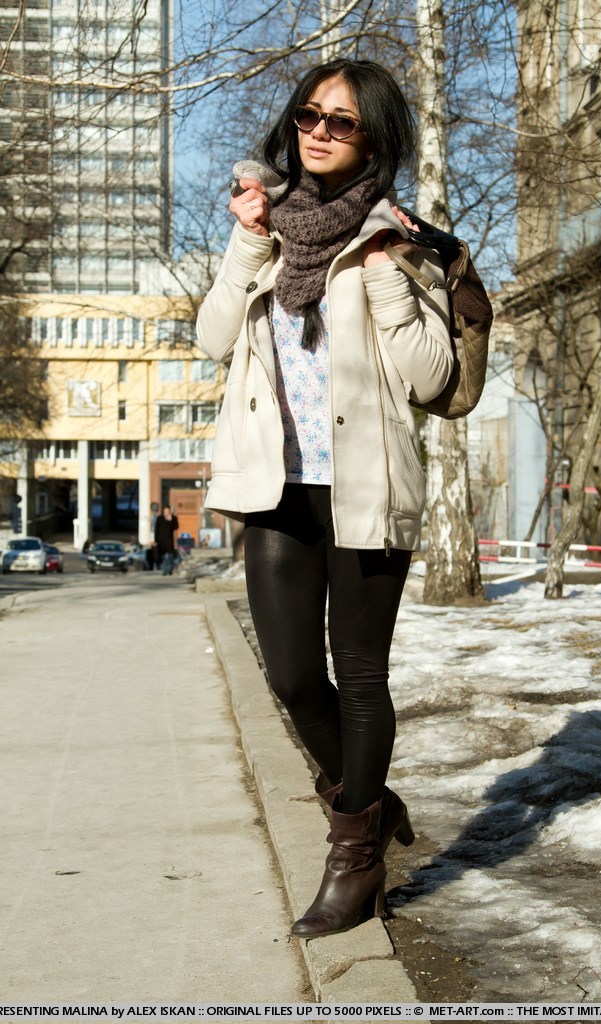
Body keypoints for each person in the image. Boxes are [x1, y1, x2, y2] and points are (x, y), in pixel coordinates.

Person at [196, 58, 453, 939]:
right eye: (309, 114)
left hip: (365, 488)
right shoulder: (266, 229)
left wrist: (382, 272)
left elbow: (431, 377)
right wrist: (246, 241)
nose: (317, 132)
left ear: (373, 138)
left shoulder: (401, 240)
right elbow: (212, 338)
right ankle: (370, 803)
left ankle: (354, 862)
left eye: (340, 121)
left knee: (360, 676)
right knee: (293, 676)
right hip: (277, 486)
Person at [154, 505, 178, 575]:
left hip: (169, 541)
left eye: (168, 511)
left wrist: (171, 520)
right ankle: (164, 570)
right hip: (161, 541)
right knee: (162, 556)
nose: (166, 512)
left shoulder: (173, 518)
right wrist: (156, 540)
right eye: (165, 511)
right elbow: (156, 530)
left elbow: (176, 527)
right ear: (163, 511)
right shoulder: (159, 518)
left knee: (170, 555)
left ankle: (169, 569)